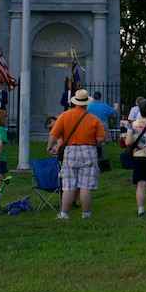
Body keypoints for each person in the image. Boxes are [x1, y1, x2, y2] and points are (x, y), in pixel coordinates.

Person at [48, 89, 107, 220]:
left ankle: (64, 214)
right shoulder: (94, 120)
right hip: (89, 151)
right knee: (85, 186)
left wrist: (49, 147)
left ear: (75, 102)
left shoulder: (64, 116)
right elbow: (101, 139)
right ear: (86, 104)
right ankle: (86, 214)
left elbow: (53, 134)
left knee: (68, 186)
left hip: (70, 151)